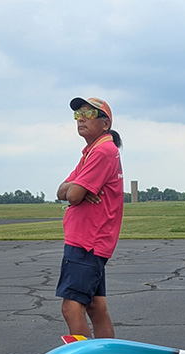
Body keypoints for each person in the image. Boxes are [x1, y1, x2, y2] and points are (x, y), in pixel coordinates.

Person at [56, 97, 124, 339]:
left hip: (87, 241)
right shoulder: (93, 151)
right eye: (78, 114)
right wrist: (79, 188)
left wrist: (77, 190)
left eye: (88, 113)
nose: (81, 118)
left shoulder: (103, 151)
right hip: (92, 240)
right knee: (96, 307)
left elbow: (72, 195)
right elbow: (61, 190)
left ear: (105, 124)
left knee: (71, 307)